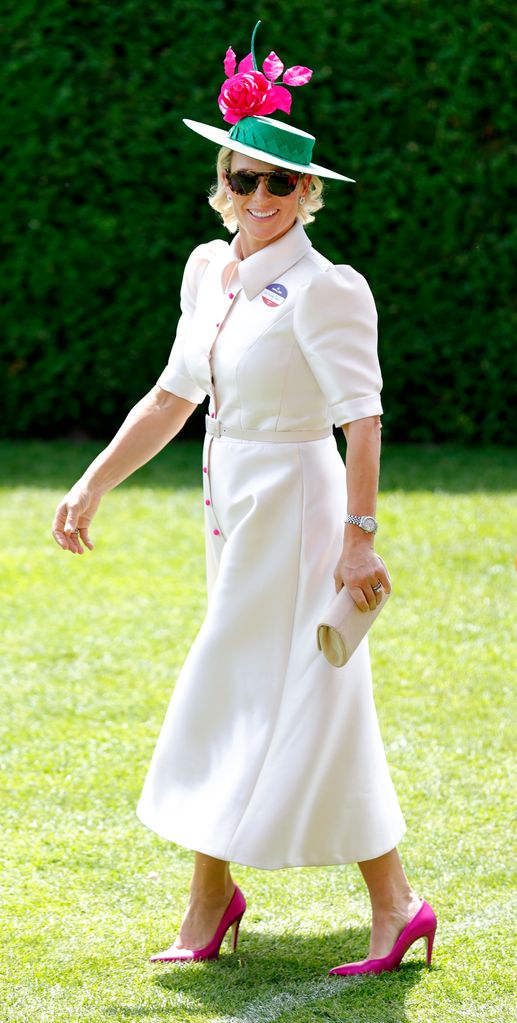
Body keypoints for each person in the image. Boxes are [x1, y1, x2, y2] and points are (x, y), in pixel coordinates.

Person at [52, 23, 436, 975]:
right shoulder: (204, 269)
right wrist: (93, 481)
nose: (258, 197)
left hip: (305, 510)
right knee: (263, 691)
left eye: (279, 183)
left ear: (308, 195)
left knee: (297, 692)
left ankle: (313, 904)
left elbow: (363, 420)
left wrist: (358, 539)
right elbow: (173, 396)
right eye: (242, 178)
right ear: (221, 183)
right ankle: (258, 899)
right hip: (233, 506)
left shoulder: (327, 289)